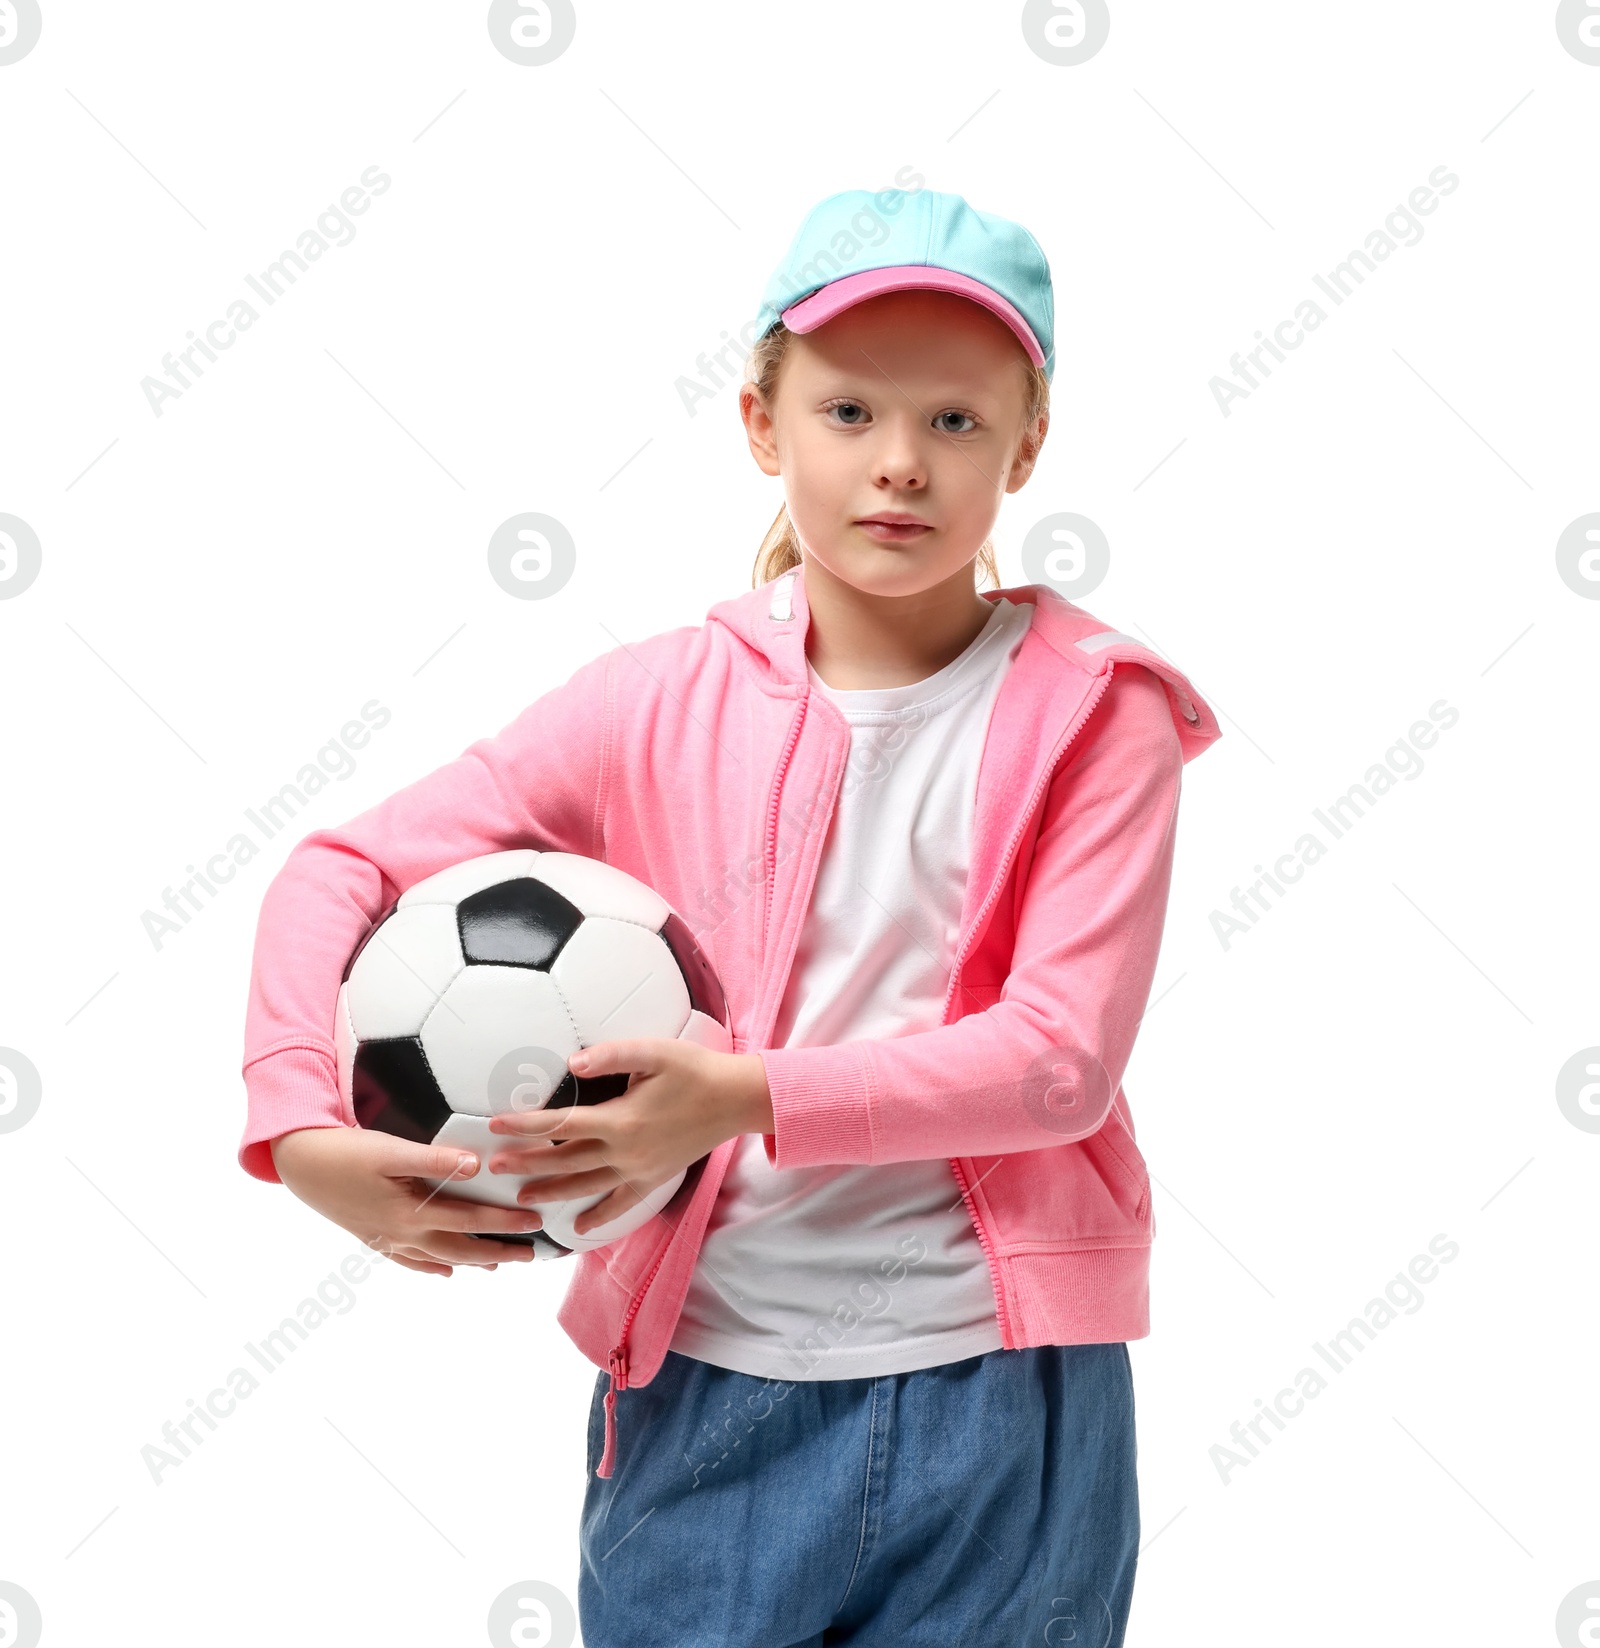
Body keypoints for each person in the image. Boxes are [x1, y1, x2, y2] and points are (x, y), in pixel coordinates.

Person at [240, 184, 1222, 1646]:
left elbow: (1057, 1061)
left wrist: (740, 1097)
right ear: (763, 425)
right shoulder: (657, 702)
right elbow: (340, 868)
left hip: (1003, 1399)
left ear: (1029, 444)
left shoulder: (1098, 714)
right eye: (847, 414)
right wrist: (303, 1129)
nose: (900, 466)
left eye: (956, 422)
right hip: (709, 1387)